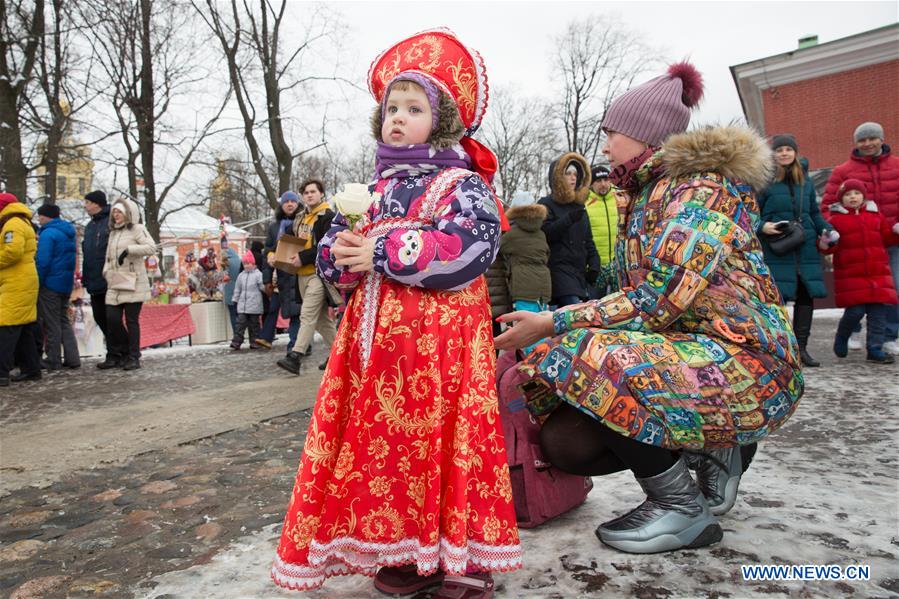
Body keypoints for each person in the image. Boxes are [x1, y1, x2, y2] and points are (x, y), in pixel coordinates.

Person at [495, 62, 802, 554]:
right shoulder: (644, 196)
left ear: (644, 135)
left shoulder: (703, 190)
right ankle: (714, 452)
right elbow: (625, 293)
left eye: (611, 133)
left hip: (751, 362)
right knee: (564, 440)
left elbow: (658, 301)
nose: (605, 146)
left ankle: (681, 507)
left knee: (583, 352)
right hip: (690, 353)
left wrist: (553, 322)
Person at [271, 29, 521, 596]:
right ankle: (401, 550)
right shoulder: (369, 192)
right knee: (387, 449)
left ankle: (461, 556)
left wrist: (384, 250)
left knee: (446, 443)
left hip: (443, 355)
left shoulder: (461, 184)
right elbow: (334, 270)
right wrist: (342, 257)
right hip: (377, 357)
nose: (398, 118)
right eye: (391, 108)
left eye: (414, 108)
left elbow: (472, 248)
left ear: (445, 121)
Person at [822, 122, 899, 355]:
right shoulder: (842, 171)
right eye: (862, 140)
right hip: (854, 241)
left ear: (881, 139)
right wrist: (835, 228)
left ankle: (888, 336)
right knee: (856, 288)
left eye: (872, 139)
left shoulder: (896, 166)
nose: (867, 144)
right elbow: (827, 206)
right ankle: (853, 329)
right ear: (856, 143)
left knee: (892, 288)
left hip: (890, 238)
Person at [756, 134, 833, 367]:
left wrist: (827, 230)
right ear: (774, 154)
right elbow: (750, 214)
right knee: (778, 299)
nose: (784, 154)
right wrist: (763, 227)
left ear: (795, 152)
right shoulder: (763, 179)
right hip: (777, 247)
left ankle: (801, 349)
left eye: (789, 149)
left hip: (805, 246)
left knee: (805, 296)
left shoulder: (805, 181)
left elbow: (814, 213)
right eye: (780, 150)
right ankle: (781, 349)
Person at [277, 179, 337, 374]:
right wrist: (274, 254)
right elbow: (288, 240)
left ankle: (295, 356)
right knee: (321, 320)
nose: (309, 195)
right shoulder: (300, 217)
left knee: (307, 314)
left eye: (313, 191)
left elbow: (326, 247)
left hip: (318, 275)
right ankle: (340, 354)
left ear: (321, 194)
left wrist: (302, 257)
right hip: (301, 275)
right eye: (306, 192)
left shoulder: (328, 216)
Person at [100, 198, 156, 371]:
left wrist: (130, 250)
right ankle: (124, 352)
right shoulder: (113, 233)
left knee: (132, 321)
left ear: (127, 213)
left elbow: (151, 247)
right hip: (116, 280)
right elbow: (109, 257)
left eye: (119, 212)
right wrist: (106, 272)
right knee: (112, 319)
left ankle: (133, 356)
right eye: (114, 212)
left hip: (134, 280)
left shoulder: (137, 229)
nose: (116, 215)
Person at [539, 152, 600, 307]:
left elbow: (588, 239)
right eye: (568, 174)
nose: (573, 178)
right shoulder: (546, 203)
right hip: (559, 269)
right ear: (557, 177)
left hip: (579, 271)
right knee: (573, 314)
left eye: (575, 174)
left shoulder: (579, 206)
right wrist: (568, 219)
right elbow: (546, 234)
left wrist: (594, 263)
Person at [0, 193, 42, 386]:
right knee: (23, 327)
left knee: (6, 326)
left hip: (16, 282)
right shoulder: (21, 222)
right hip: (22, 280)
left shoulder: (12, 224)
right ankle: (31, 369)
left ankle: (1, 373)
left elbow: (12, 252)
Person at [35, 203, 80, 370]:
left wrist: (38, 282)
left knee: (51, 322)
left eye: (40, 215)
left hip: (50, 284)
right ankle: (73, 358)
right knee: (63, 320)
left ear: (46, 216)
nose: (38, 219)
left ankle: (52, 359)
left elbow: (43, 261)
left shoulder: (48, 233)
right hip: (65, 284)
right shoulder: (68, 232)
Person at [262, 191, 301, 357]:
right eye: (287, 202)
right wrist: (270, 258)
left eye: (293, 201)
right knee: (292, 313)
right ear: (282, 205)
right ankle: (298, 345)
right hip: (284, 274)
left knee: (302, 312)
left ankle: (296, 345)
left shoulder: (303, 221)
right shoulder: (274, 227)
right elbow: (268, 249)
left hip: (301, 272)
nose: (290, 204)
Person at [81, 190, 111, 354]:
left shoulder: (109, 222)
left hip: (107, 277)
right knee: (99, 316)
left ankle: (119, 351)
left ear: (96, 203)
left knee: (111, 318)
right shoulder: (90, 226)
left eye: (87, 202)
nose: (85, 206)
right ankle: (114, 351)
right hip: (93, 277)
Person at [585, 164, 620, 297]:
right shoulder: (584, 203)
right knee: (594, 309)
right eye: (598, 181)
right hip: (596, 268)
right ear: (591, 184)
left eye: (606, 180)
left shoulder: (621, 198)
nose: (603, 184)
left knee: (621, 310)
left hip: (618, 266)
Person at [230, 251, 264, 350]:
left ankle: (254, 341)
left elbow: (262, 286)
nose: (246, 266)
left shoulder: (258, 274)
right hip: (243, 305)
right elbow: (237, 289)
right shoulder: (241, 276)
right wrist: (235, 299)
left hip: (254, 304)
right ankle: (236, 341)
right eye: (244, 264)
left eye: (248, 263)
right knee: (240, 324)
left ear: (254, 264)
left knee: (254, 325)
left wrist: (266, 289)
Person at [221, 239, 241, 332]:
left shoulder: (226, 262)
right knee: (239, 314)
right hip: (240, 289)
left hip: (229, 289)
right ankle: (241, 332)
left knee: (233, 314)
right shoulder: (240, 260)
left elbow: (224, 276)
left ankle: (235, 332)